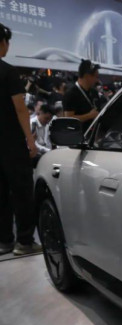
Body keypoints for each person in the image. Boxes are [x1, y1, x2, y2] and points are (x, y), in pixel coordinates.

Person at [0, 23, 42, 256]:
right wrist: (30, 139)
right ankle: (24, 242)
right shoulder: (8, 72)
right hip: (12, 143)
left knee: (1, 194)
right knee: (22, 191)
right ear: (3, 42)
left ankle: (4, 241)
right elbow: (20, 109)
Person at [62, 59, 100, 131]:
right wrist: (89, 116)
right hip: (78, 135)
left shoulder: (94, 92)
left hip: (94, 133)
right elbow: (68, 120)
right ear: (87, 76)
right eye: (96, 77)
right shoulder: (71, 94)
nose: (97, 80)